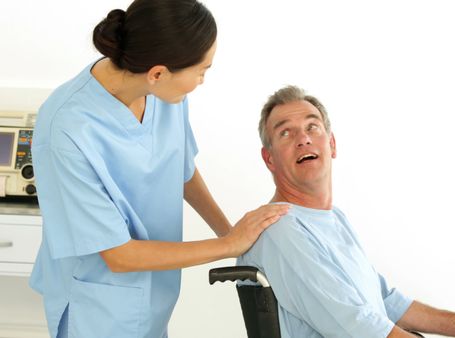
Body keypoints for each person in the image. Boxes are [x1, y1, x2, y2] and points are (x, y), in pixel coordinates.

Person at [29, 1, 289, 337]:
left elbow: (180, 169)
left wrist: (230, 234)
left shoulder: (166, 95)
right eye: (201, 71)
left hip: (153, 298)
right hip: (97, 308)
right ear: (158, 73)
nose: (201, 81)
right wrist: (229, 246)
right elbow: (119, 255)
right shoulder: (66, 129)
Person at [237, 85, 455, 338]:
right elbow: (356, 325)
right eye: (286, 133)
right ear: (269, 159)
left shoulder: (333, 219)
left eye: (312, 127)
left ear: (332, 144)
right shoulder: (279, 229)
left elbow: (387, 302)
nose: (303, 138)